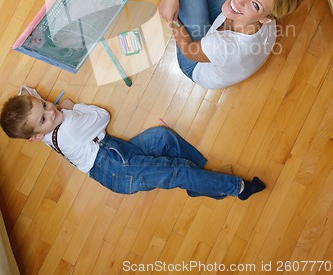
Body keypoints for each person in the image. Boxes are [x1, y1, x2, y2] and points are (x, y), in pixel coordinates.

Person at [0, 87, 266, 201]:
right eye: (45, 118)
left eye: (45, 104)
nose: (52, 110)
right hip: (117, 168)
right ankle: (238, 188)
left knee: (163, 138)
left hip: (115, 152)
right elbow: (102, 116)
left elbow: (30, 98)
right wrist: (73, 106)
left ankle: (202, 183)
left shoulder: (43, 134)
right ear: (36, 137)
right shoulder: (67, 127)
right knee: (177, 170)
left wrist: (35, 105)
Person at [156, 0, 305, 89]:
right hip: (228, 30)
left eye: (255, 5)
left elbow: (188, 51)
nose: (239, 0)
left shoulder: (225, 48)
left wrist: (172, 18)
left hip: (198, 65)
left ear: (266, 19)